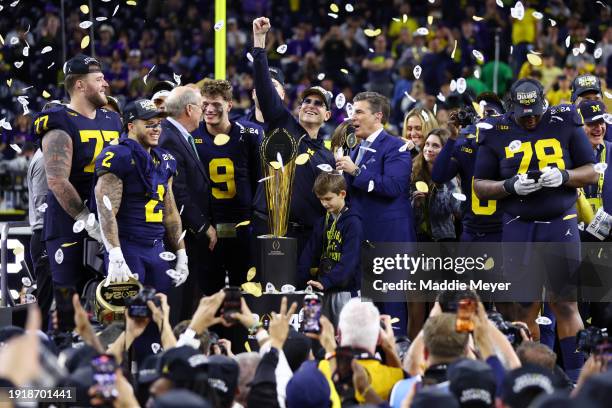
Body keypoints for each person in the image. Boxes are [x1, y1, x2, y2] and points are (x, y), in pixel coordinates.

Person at [473, 78, 597, 382]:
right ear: (511, 108)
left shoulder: (565, 119)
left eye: (535, 113)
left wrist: (566, 175)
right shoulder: (494, 130)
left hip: (560, 223)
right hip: (519, 225)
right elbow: (479, 185)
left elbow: (591, 170)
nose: (530, 119)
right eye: (523, 114)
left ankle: (577, 377)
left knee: (566, 302)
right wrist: (508, 186)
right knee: (525, 303)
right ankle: (533, 376)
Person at [35, 54, 121, 296]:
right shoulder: (59, 120)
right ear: (80, 85)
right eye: (99, 79)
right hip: (68, 222)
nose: (105, 84)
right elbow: (56, 179)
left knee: (112, 301)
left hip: (108, 221)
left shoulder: (112, 119)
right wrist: (86, 218)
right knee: (68, 302)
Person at [252, 17, 335, 255]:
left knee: (295, 291)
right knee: (264, 291)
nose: (310, 105)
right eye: (306, 101)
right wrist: (260, 42)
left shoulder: (327, 157)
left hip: (304, 235)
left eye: (318, 104)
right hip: (267, 225)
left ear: (327, 114)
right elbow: (266, 91)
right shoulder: (282, 123)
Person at [336, 91, 415, 336]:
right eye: (352, 112)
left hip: (390, 242)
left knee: (391, 310)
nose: (353, 118)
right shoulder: (355, 149)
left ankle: (397, 356)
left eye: (359, 112)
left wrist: (356, 171)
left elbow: (394, 187)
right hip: (364, 242)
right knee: (367, 310)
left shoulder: (397, 146)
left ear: (378, 116)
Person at [94, 99, 187, 293]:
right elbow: (106, 210)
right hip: (128, 247)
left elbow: (170, 212)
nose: (156, 129)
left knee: (160, 314)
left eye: (158, 124)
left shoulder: (165, 160)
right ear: (131, 126)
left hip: (157, 248)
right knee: (128, 316)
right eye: (149, 124)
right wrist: (115, 253)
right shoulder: (118, 155)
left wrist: (181, 253)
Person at [192, 79, 263, 290]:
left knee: (245, 289)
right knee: (209, 290)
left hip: (242, 225)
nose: (210, 109)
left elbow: (259, 179)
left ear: (229, 105)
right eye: (205, 104)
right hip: (208, 227)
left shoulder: (249, 134)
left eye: (217, 104)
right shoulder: (192, 137)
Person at [159, 86, 216, 321]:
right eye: (202, 107)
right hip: (179, 234)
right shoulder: (169, 138)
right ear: (190, 110)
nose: (204, 112)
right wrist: (203, 226)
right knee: (178, 300)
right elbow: (178, 192)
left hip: (184, 232)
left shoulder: (177, 135)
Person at [431, 99, 503, 243]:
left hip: (502, 231)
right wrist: (452, 137)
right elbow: (438, 176)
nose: (483, 118)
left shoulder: (509, 147)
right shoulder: (465, 146)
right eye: (480, 114)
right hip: (471, 231)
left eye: (489, 113)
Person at [297, 172, 363, 325]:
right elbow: (309, 252)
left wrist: (327, 281)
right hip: (320, 290)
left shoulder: (353, 223)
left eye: (328, 199)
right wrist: (302, 279)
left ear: (342, 194)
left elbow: (350, 262)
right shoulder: (322, 222)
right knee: (313, 333)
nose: (325, 204)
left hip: (346, 292)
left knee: (346, 340)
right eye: (321, 200)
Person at [411, 128, 462, 242]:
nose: (429, 149)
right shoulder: (413, 172)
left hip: (444, 239)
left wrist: (439, 188)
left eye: (435, 146)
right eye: (427, 144)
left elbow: (457, 210)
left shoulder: (450, 176)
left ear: (445, 151)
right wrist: (416, 203)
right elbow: (406, 213)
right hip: (418, 238)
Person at [571, 73, 612, 141]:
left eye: (596, 99)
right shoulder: (565, 129)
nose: (593, 104)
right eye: (587, 99)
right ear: (574, 102)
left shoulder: (610, 127)